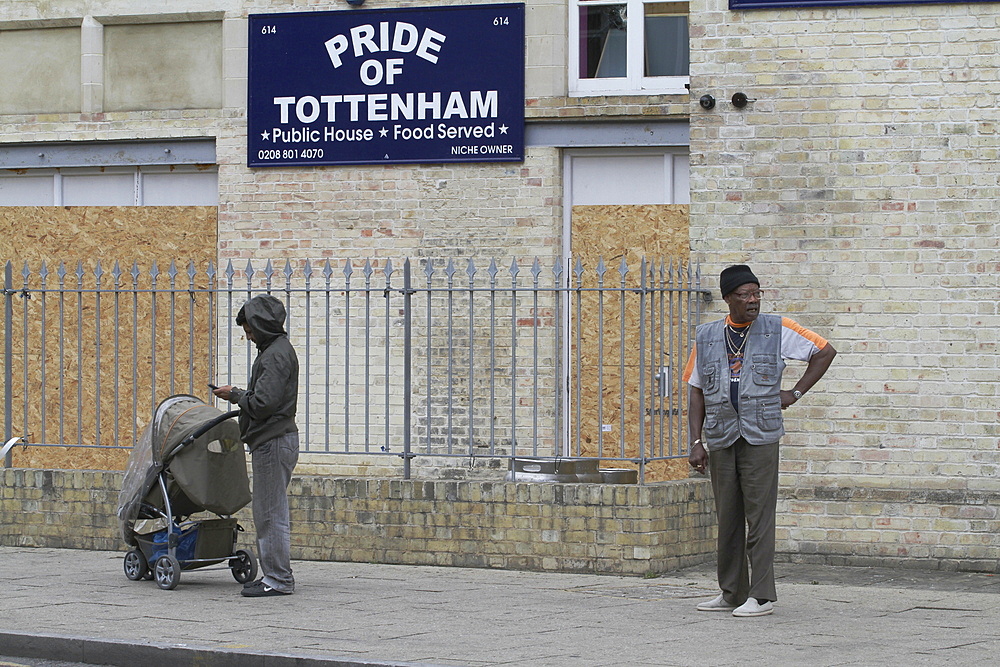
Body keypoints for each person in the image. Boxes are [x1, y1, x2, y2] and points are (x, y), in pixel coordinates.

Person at [683, 265, 836, 617]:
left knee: (760, 515)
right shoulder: (706, 335)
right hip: (721, 435)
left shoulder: (777, 328)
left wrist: (795, 393)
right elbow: (696, 391)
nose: (753, 301)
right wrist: (696, 441)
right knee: (729, 516)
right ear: (728, 299)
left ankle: (762, 595)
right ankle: (731, 592)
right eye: (744, 295)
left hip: (761, 435)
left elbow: (825, 351)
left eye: (757, 294)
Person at [213, 294, 300, 597]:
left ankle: (277, 579)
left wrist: (235, 394)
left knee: (269, 513)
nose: (248, 336)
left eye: (250, 330)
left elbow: (264, 403)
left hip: (272, 441)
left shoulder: (275, 354)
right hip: (274, 440)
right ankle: (275, 575)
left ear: (262, 326)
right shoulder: (274, 351)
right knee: (269, 510)